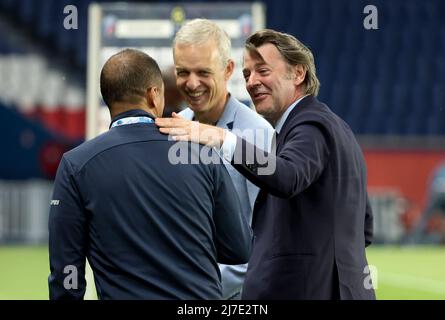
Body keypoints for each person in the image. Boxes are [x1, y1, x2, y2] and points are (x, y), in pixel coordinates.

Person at [156, 29, 376, 300]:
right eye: (248, 74)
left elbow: (287, 177)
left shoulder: (310, 126)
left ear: (298, 74)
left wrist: (222, 137)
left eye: (263, 70)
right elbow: (364, 225)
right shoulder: (332, 126)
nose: (252, 82)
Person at [48, 48, 252, 299]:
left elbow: (66, 272)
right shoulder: (203, 154)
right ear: (153, 95)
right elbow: (239, 249)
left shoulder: (76, 164)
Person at [170, 19, 274, 299]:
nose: (192, 84)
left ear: (228, 69)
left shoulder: (258, 134)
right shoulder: (174, 131)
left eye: (203, 72)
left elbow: (266, 240)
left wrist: (199, 289)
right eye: (183, 72)